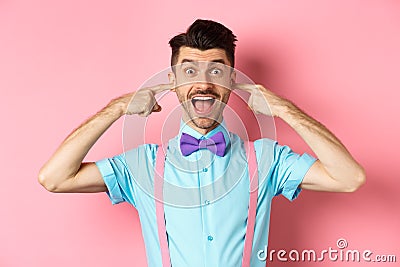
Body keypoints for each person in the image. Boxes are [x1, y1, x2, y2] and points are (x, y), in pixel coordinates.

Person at [38, 19, 366, 267]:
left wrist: (284, 109)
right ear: (173, 82)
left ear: (233, 80)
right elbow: (55, 178)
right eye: (190, 70)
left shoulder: (267, 158)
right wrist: (116, 109)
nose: (203, 84)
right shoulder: (142, 165)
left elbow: (349, 178)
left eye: (217, 71)